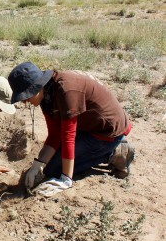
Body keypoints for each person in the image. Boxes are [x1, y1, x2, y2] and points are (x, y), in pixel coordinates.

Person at [8, 62, 135, 198]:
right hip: (87, 126)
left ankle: (114, 151)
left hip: (106, 132)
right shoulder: (47, 95)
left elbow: (68, 136)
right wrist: (38, 164)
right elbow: (55, 134)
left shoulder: (65, 91)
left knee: (54, 170)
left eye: (26, 96)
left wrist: (65, 179)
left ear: (36, 87)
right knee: (48, 167)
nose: (24, 102)